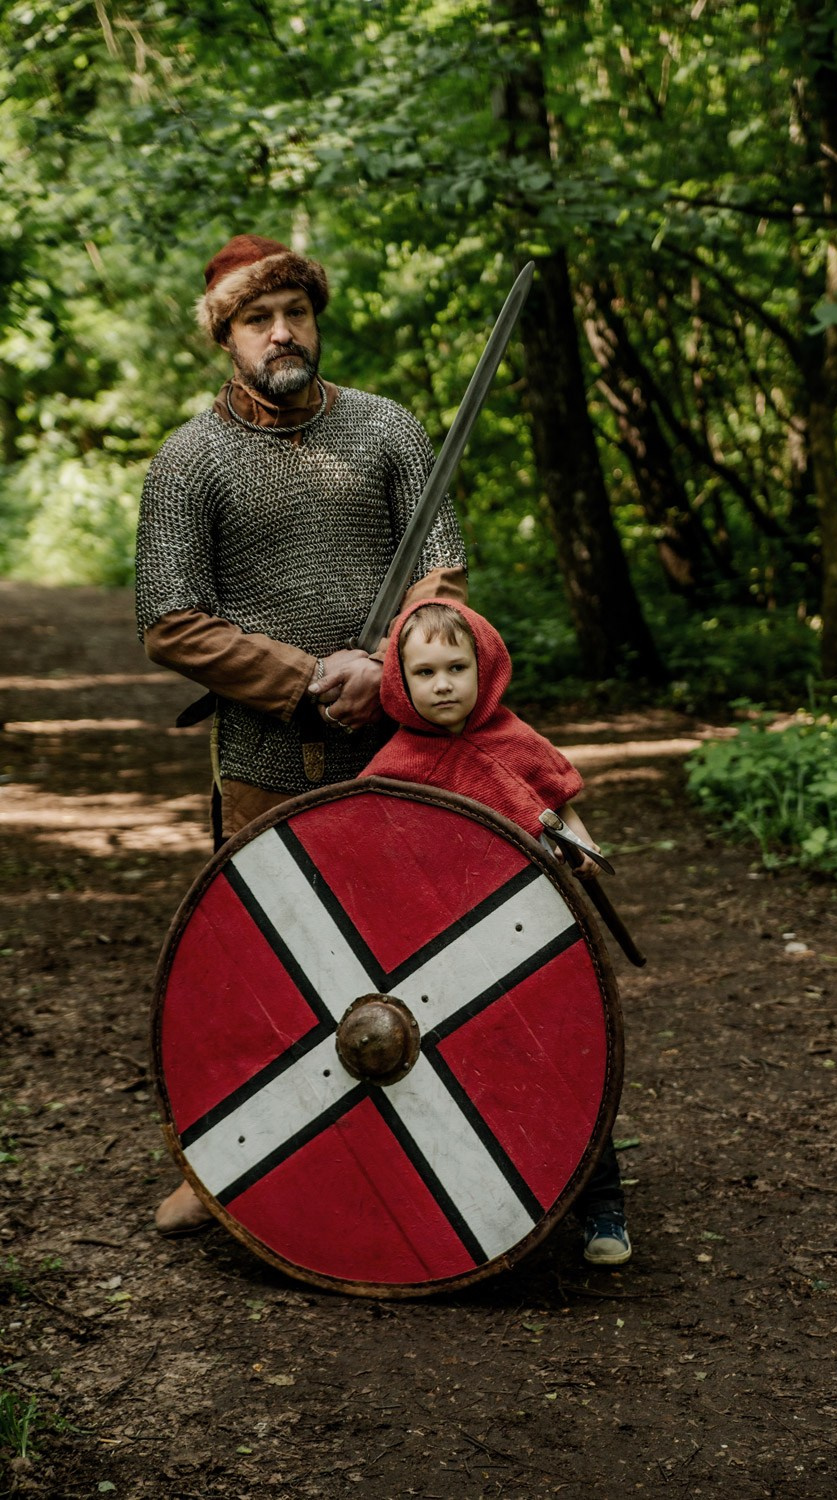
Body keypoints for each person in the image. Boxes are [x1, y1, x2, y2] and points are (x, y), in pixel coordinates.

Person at [135, 233, 467, 1234]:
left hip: (401, 740)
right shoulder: (190, 462)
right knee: (257, 959)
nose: (282, 331)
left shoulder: (388, 431)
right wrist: (308, 676)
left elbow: (439, 575)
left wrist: (388, 664)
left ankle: (434, 1161)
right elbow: (169, 620)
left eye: (297, 312)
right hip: (266, 752)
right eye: (256, 317)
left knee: (417, 946)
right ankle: (221, 1158)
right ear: (224, 337)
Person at [364, 599, 632, 1266]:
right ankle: (485, 1200)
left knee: (569, 1063)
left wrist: (583, 854)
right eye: (424, 672)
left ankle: (602, 1209)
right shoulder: (393, 766)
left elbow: (561, 811)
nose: (444, 684)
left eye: (457, 666)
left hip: (537, 936)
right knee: (472, 1072)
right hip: (442, 957)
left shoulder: (516, 740)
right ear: (400, 682)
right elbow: (365, 854)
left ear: (485, 668)